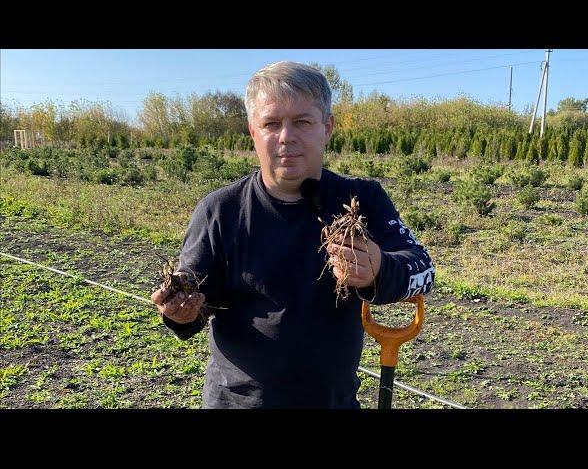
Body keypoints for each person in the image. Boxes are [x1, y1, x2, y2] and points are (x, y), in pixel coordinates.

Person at [151, 61, 435, 409]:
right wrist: (179, 311)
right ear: (253, 132)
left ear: (327, 127)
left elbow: (423, 270)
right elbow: (193, 299)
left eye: (302, 121)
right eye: (271, 123)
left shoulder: (361, 202)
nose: (287, 137)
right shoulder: (220, 211)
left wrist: (378, 269)